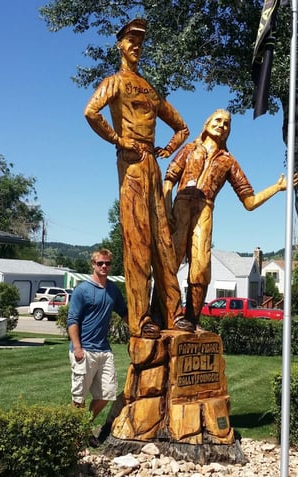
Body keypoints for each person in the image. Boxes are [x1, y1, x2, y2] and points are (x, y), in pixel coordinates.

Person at [84, 18, 191, 336]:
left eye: (141, 42)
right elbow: (92, 111)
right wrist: (119, 140)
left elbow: (182, 127)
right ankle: (140, 319)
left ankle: (173, 313)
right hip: (129, 165)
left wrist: (169, 148)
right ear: (120, 44)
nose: (136, 46)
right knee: (138, 243)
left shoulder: (149, 89)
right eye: (131, 40)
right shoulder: (114, 82)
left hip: (152, 167)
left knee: (163, 243)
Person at [163, 109, 298, 325]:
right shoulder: (189, 149)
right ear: (207, 123)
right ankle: (165, 314)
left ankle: (191, 320)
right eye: (218, 120)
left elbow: (249, 201)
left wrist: (278, 187)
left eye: (227, 123)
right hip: (180, 205)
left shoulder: (228, 161)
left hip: (205, 209)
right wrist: (166, 209)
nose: (222, 125)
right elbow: (169, 178)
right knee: (170, 261)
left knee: (201, 266)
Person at [67, 248, 127, 423]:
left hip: (104, 350)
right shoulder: (82, 290)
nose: (104, 266)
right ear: (93, 264)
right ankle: (74, 438)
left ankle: (84, 426)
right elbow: (72, 320)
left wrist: (143, 328)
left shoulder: (113, 290)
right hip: (84, 350)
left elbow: (124, 312)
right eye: (100, 263)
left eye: (107, 263)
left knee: (108, 393)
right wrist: (78, 347)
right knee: (79, 397)